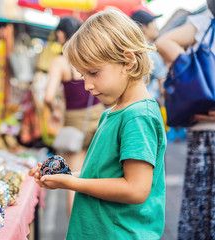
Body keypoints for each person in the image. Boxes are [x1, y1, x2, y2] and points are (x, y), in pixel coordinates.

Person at [30, 9, 167, 239]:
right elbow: (103, 173)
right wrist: (64, 177)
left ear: (128, 60)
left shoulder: (137, 117)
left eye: (93, 73)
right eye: (84, 76)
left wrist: (73, 184)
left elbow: (135, 189)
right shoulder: (114, 112)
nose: (87, 85)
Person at [156, 1, 215, 239]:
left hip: (202, 128)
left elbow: (163, 42)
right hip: (204, 130)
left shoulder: (204, 23)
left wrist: (194, 76)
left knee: (201, 205)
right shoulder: (205, 22)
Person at [44, 16, 105, 217]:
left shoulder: (61, 61)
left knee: (74, 181)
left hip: (74, 123)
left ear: (61, 34)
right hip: (98, 118)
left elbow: (48, 96)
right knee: (96, 176)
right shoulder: (89, 56)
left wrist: (54, 110)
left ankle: (76, 232)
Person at [131, 10, 167, 101]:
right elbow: (163, 87)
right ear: (143, 27)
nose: (156, 27)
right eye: (153, 23)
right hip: (149, 103)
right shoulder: (150, 53)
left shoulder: (129, 52)